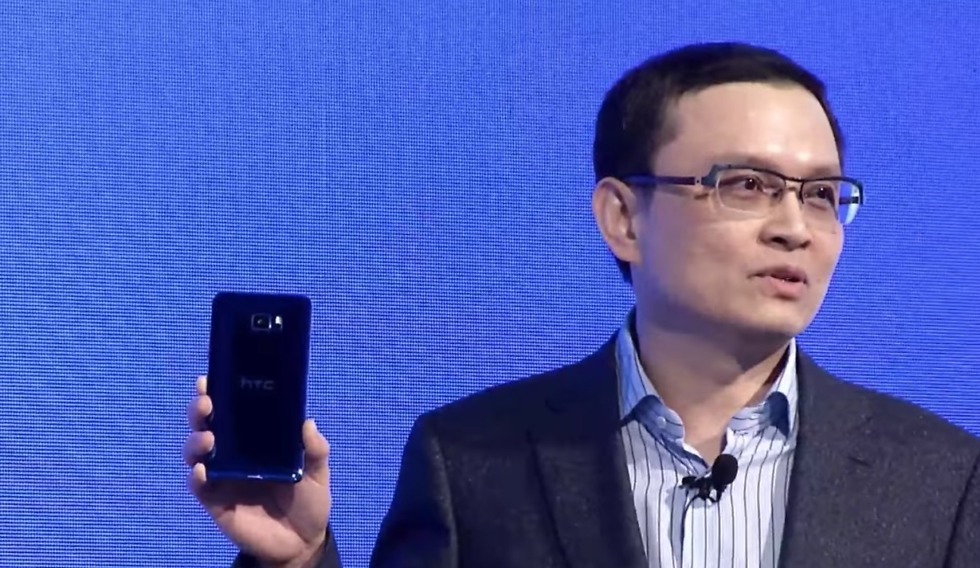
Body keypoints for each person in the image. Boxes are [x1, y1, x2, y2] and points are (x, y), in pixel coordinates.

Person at [183, 41, 980, 568]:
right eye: (747, 185)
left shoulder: (940, 478)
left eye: (821, 194)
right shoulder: (471, 460)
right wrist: (298, 559)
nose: (794, 228)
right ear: (622, 217)